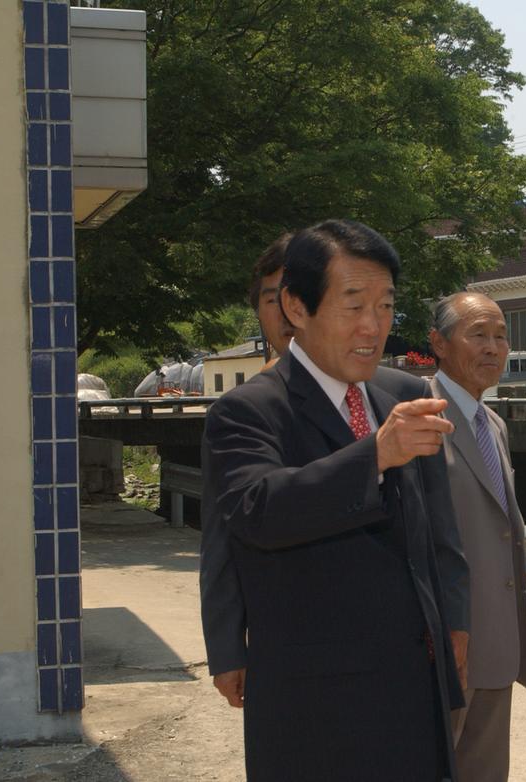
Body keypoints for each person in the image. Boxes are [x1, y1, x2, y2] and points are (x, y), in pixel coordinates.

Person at [202, 219, 470, 781]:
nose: (373, 327)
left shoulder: (403, 394)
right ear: (296, 307)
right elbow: (258, 511)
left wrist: (454, 626)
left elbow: (436, 529)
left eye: (386, 306)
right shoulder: (249, 411)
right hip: (317, 708)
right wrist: (373, 454)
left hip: (416, 691)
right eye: (353, 306)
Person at [427, 292, 526, 781]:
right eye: (478, 335)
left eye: (500, 336)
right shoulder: (417, 419)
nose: (493, 348)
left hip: (496, 646)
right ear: (439, 343)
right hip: (443, 646)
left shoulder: (493, 424)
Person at [200, 232, 296, 710]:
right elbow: (221, 535)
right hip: (286, 645)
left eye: (298, 294)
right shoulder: (243, 412)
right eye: (271, 299)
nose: (287, 312)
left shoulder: (391, 398)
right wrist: (226, 647)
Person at [248, 232, 296, 362]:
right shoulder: (263, 382)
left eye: (303, 296)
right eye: (274, 300)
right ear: (258, 313)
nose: (288, 313)